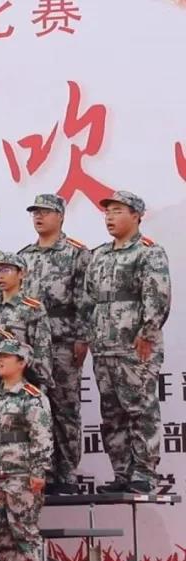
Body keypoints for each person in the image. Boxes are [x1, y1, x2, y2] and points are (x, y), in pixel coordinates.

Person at [82, 191, 171, 494]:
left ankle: (144, 473)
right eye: (107, 211)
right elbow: (89, 299)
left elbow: (157, 297)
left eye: (118, 211)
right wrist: (90, 336)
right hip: (103, 348)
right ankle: (121, 474)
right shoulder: (99, 255)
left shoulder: (148, 253)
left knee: (140, 409)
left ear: (136, 216)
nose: (110, 217)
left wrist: (147, 333)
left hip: (134, 348)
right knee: (112, 415)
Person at [17, 193, 92, 495]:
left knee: (65, 408)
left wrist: (82, 337)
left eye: (45, 212)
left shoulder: (77, 253)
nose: (39, 217)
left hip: (63, 341)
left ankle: (68, 472)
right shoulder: (24, 256)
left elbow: (86, 299)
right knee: (37, 408)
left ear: (60, 216)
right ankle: (42, 470)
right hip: (32, 345)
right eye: (35, 212)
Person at [0, 341, 52, 561]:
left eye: (5, 357)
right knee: (0, 529)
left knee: (23, 528)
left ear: (22, 362)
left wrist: (38, 470)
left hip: (21, 473)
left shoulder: (32, 397)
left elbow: (41, 436)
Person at [0, 254, 54, 391]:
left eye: (6, 270)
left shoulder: (32, 308)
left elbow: (42, 352)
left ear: (21, 274)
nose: (0, 276)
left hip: (21, 385)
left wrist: (40, 386)